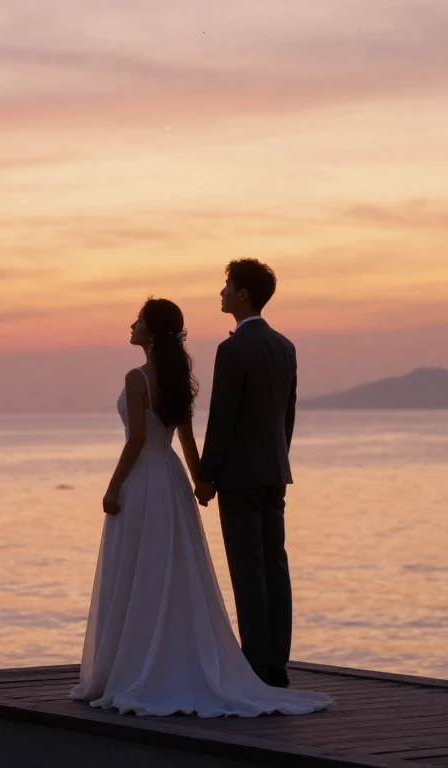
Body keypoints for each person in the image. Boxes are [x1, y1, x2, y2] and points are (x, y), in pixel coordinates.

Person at [70, 296, 330, 717]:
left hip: (143, 479)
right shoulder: (177, 375)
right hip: (170, 479)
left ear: (151, 331)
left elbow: (136, 440)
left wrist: (112, 487)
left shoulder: (136, 378)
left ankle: (132, 664)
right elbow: (188, 440)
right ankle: (192, 659)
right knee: (170, 570)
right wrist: (199, 482)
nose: (130, 326)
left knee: (139, 570)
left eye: (137, 321)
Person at [194, 259, 301, 689]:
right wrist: (277, 457)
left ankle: (253, 664)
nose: (220, 293)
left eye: (226, 286)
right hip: (275, 470)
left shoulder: (232, 349)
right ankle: (277, 663)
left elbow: (222, 418)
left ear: (242, 295)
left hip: (239, 476)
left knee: (248, 568)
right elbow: (287, 416)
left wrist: (206, 475)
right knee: (275, 564)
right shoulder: (285, 346)